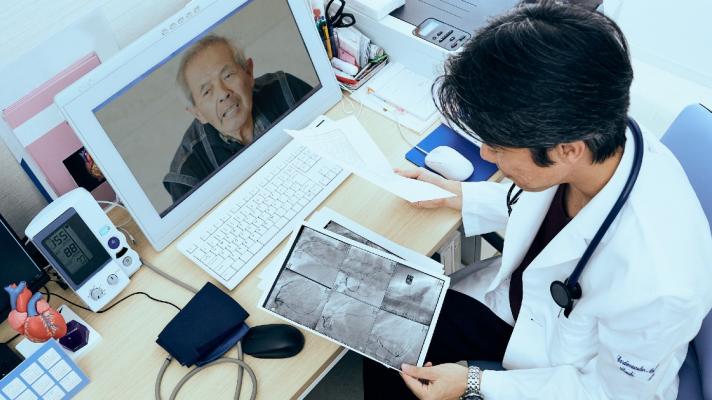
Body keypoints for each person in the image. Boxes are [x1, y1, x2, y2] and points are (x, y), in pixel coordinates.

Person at [363, 2, 712, 399]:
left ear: (567, 150)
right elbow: (539, 209)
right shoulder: (599, 135)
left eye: (498, 147)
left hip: (570, 370)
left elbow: (612, 392)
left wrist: (476, 382)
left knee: (393, 359)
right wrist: (462, 195)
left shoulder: (660, 284)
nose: (485, 158)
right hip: (522, 304)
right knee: (381, 327)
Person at [163, 35, 313, 202]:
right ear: (198, 113)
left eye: (227, 76)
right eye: (207, 91)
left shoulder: (286, 90)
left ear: (249, 73)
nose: (223, 93)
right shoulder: (189, 174)